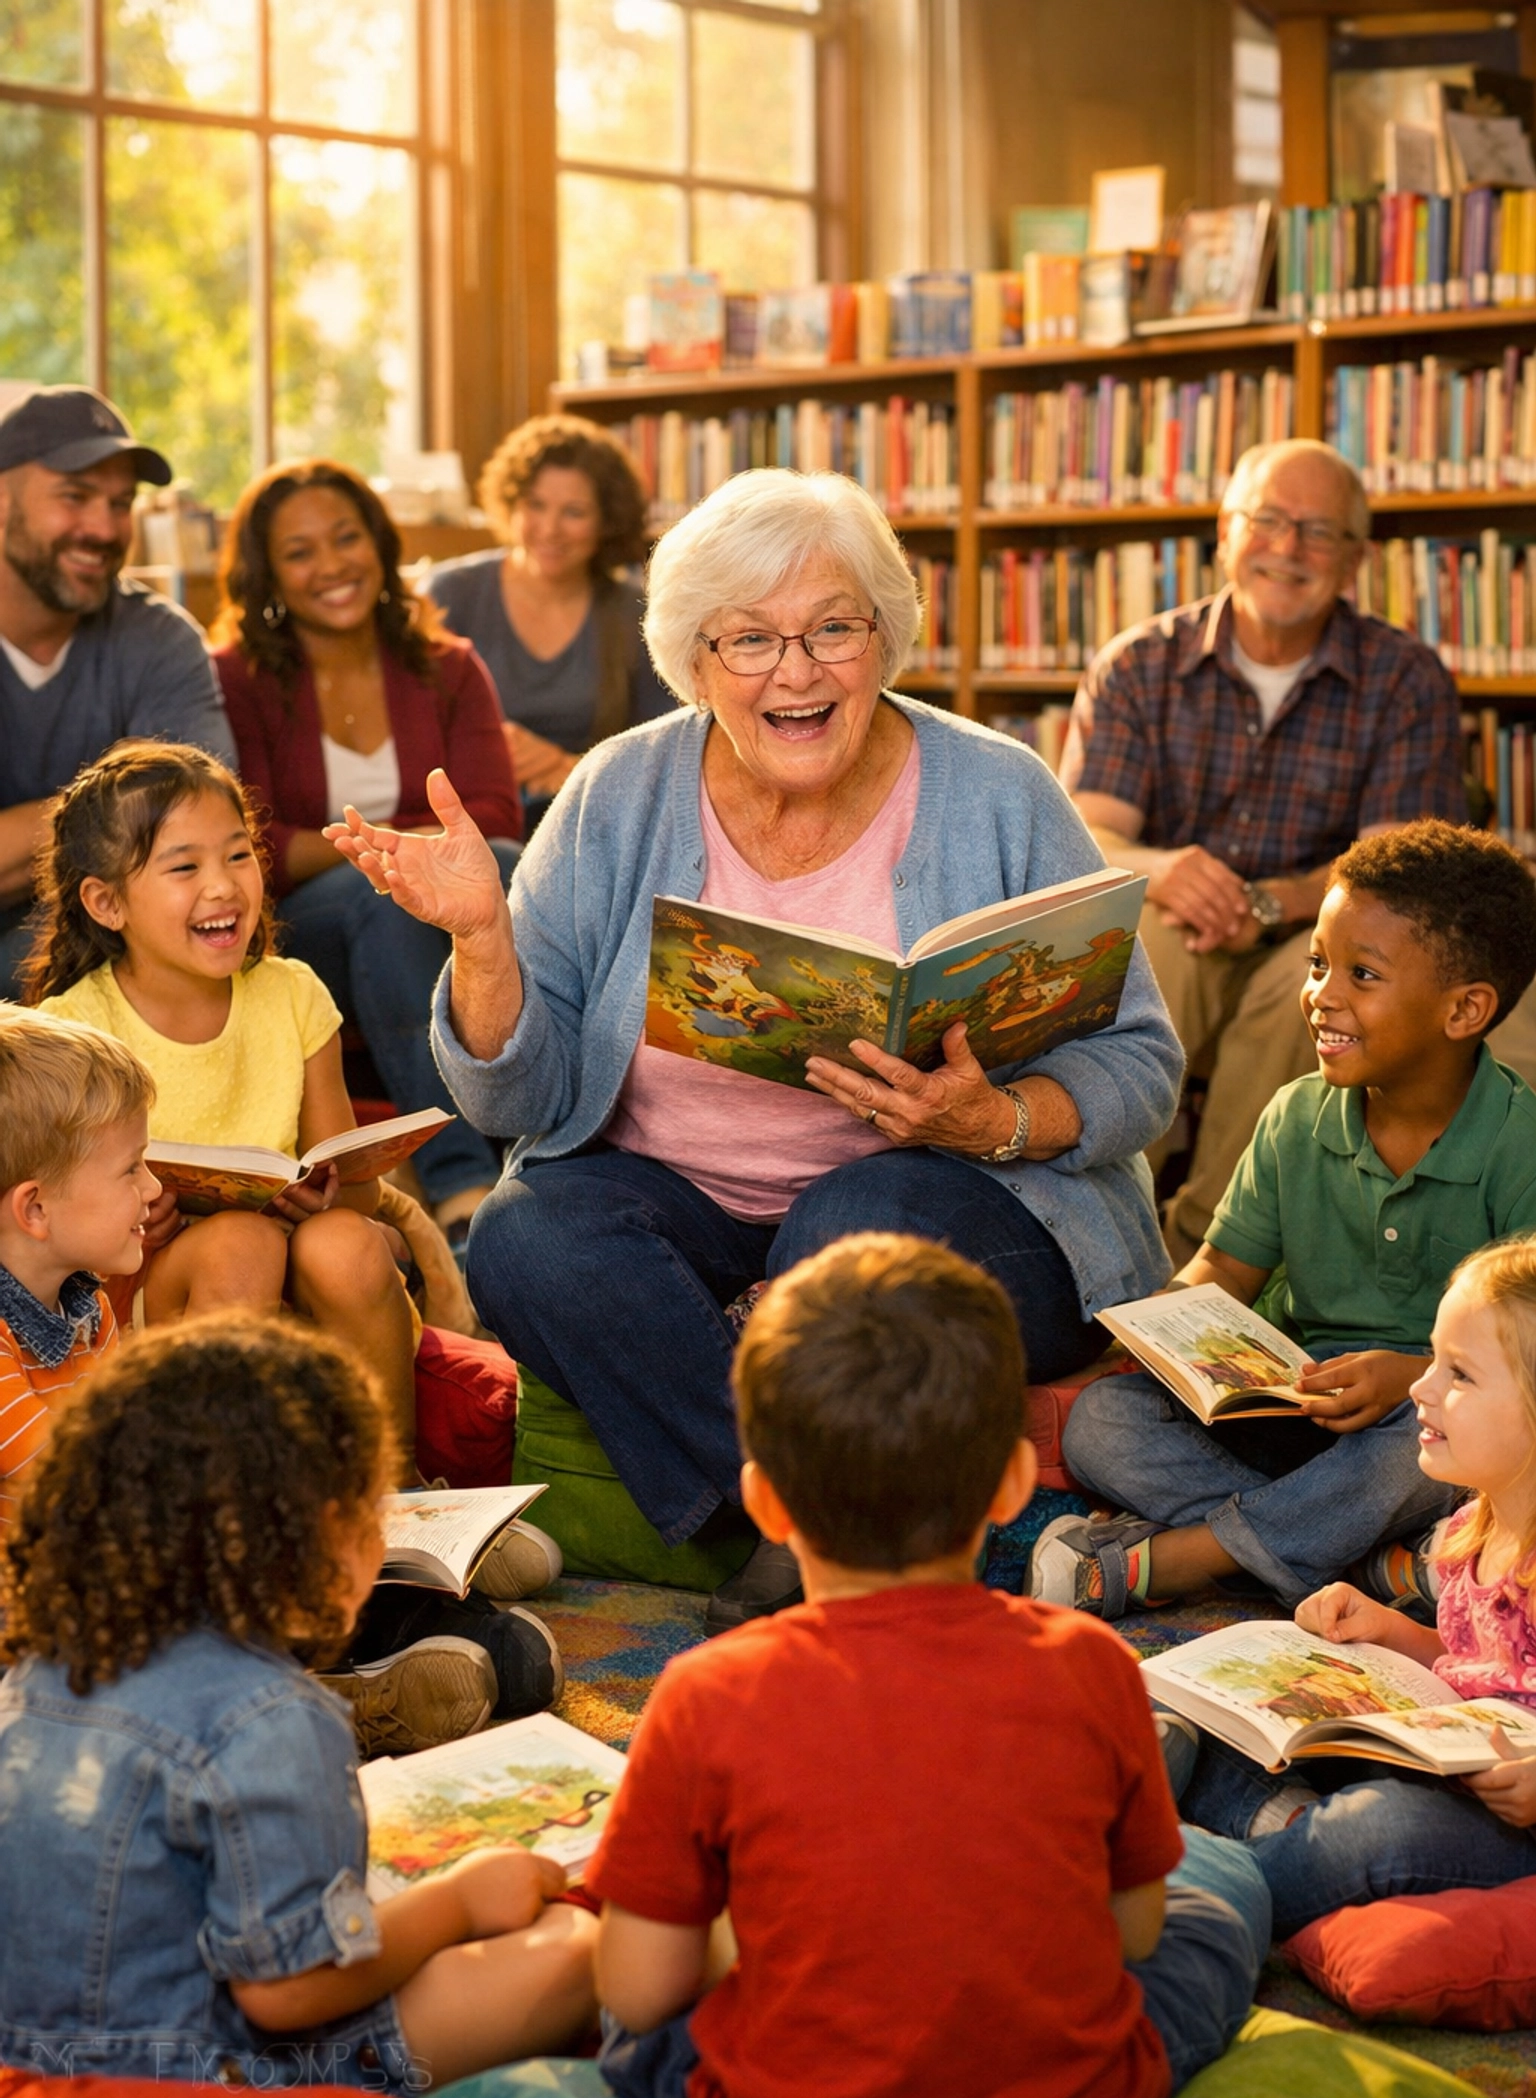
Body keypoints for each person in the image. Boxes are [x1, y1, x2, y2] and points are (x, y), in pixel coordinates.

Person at [327, 467, 1184, 1630]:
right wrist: (483, 944)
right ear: (694, 661)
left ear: (886, 638)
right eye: (750, 640)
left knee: (851, 1235)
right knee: (524, 1231)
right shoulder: (619, 793)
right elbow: (518, 1101)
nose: (797, 671)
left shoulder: (998, 792)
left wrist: (996, 1120)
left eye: (835, 628)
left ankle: (752, 1519)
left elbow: (1141, 1066)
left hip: (966, 1205)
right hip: (684, 1203)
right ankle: (778, 1522)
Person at [582, 1233, 1267, 2098]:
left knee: (624, 2028)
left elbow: (641, 1995)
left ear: (764, 1499)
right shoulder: (1093, 1665)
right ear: (1011, 1484)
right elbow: (1134, 1936)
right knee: (1211, 1918)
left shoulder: (702, 1696)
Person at [25, 742, 563, 1741]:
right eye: (183, 867)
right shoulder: (76, 1032)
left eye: (239, 854)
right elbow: (50, 1245)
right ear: (106, 905)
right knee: (237, 1246)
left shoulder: (291, 994)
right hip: (152, 1313)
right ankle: (235, 1522)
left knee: (345, 1249)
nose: (224, 885)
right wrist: (134, 1232)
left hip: (300, 1300)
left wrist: (333, 1198)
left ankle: (392, 1516)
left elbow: (338, 1173)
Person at [0, 1312, 597, 2091]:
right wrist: (457, 1904)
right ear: (316, 1537)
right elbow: (289, 1991)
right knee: (571, 1948)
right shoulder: (273, 1715)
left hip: (31, 2056)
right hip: (196, 2078)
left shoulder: (43, 1659)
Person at [1047, 821, 1536, 1620]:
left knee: (1415, 1462)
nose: (1321, 995)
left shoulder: (1521, 1147)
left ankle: (1187, 1557)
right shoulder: (1294, 1116)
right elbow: (1220, 1275)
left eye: (1362, 974)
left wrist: (1404, 1378)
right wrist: (1167, 1341)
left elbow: (1523, 1365)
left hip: (1425, 1427)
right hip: (1293, 1407)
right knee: (1103, 1422)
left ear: (1464, 1010)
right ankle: (1368, 1563)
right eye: (1317, 964)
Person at [1059, 438, 1467, 1265]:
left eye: (1319, 532)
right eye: (1269, 521)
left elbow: (1403, 868)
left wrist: (1272, 903)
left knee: (1314, 995)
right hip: (1183, 917)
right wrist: (1167, 869)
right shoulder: (1140, 663)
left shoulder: (1403, 677)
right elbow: (1085, 837)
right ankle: (1092, 1230)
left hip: (1320, 928)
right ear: (1226, 531)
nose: (1288, 549)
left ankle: (1204, 1257)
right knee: (1142, 954)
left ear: (1354, 560)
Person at [1167, 1236, 1536, 1921]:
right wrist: (1390, 1630)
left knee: (1378, 1831)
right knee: (1226, 1726)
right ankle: (1278, 1819)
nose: (1421, 1388)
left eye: (1459, 1374)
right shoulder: (1467, 1534)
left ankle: (1227, 1880)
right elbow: (1475, 1665)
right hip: (1435, 1761)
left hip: (1511, 1824)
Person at [211, 459, 524, 1251]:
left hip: (433, 911)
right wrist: (393, 855)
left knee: (503, 867)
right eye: (301, 550)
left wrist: (375, 853)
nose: (332, 565)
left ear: (380, 546)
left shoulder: (449, 667)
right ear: (269, 573)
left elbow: (490, 816)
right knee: (374, 899)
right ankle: (461, 1185)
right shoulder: (235, 680)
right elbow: (251, 847)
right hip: (306, 933)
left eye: (346, 538)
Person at [0, 386, 232, 999]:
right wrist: (119, 818)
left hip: (106, 930)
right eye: (74, 497)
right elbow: (154, 838)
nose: (103, 528)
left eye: (120, 502)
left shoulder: (160, 640)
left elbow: (200, 826)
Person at [425, 415, 671, 835]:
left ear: (606, 521)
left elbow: (664, 754)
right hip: (470, 821)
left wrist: (567, 767)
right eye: (534, 505)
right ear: (510, 502)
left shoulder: (636, 609)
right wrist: (488, 751)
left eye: (573, 512)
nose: (549, 529)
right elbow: (414, 736)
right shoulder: (453, 593)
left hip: (591, 820)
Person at [0, 1009, 156, 1540]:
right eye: (131, 1169)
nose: (154, 1189)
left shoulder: (89, 1307)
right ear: (36, 1210)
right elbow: (72, 1480)